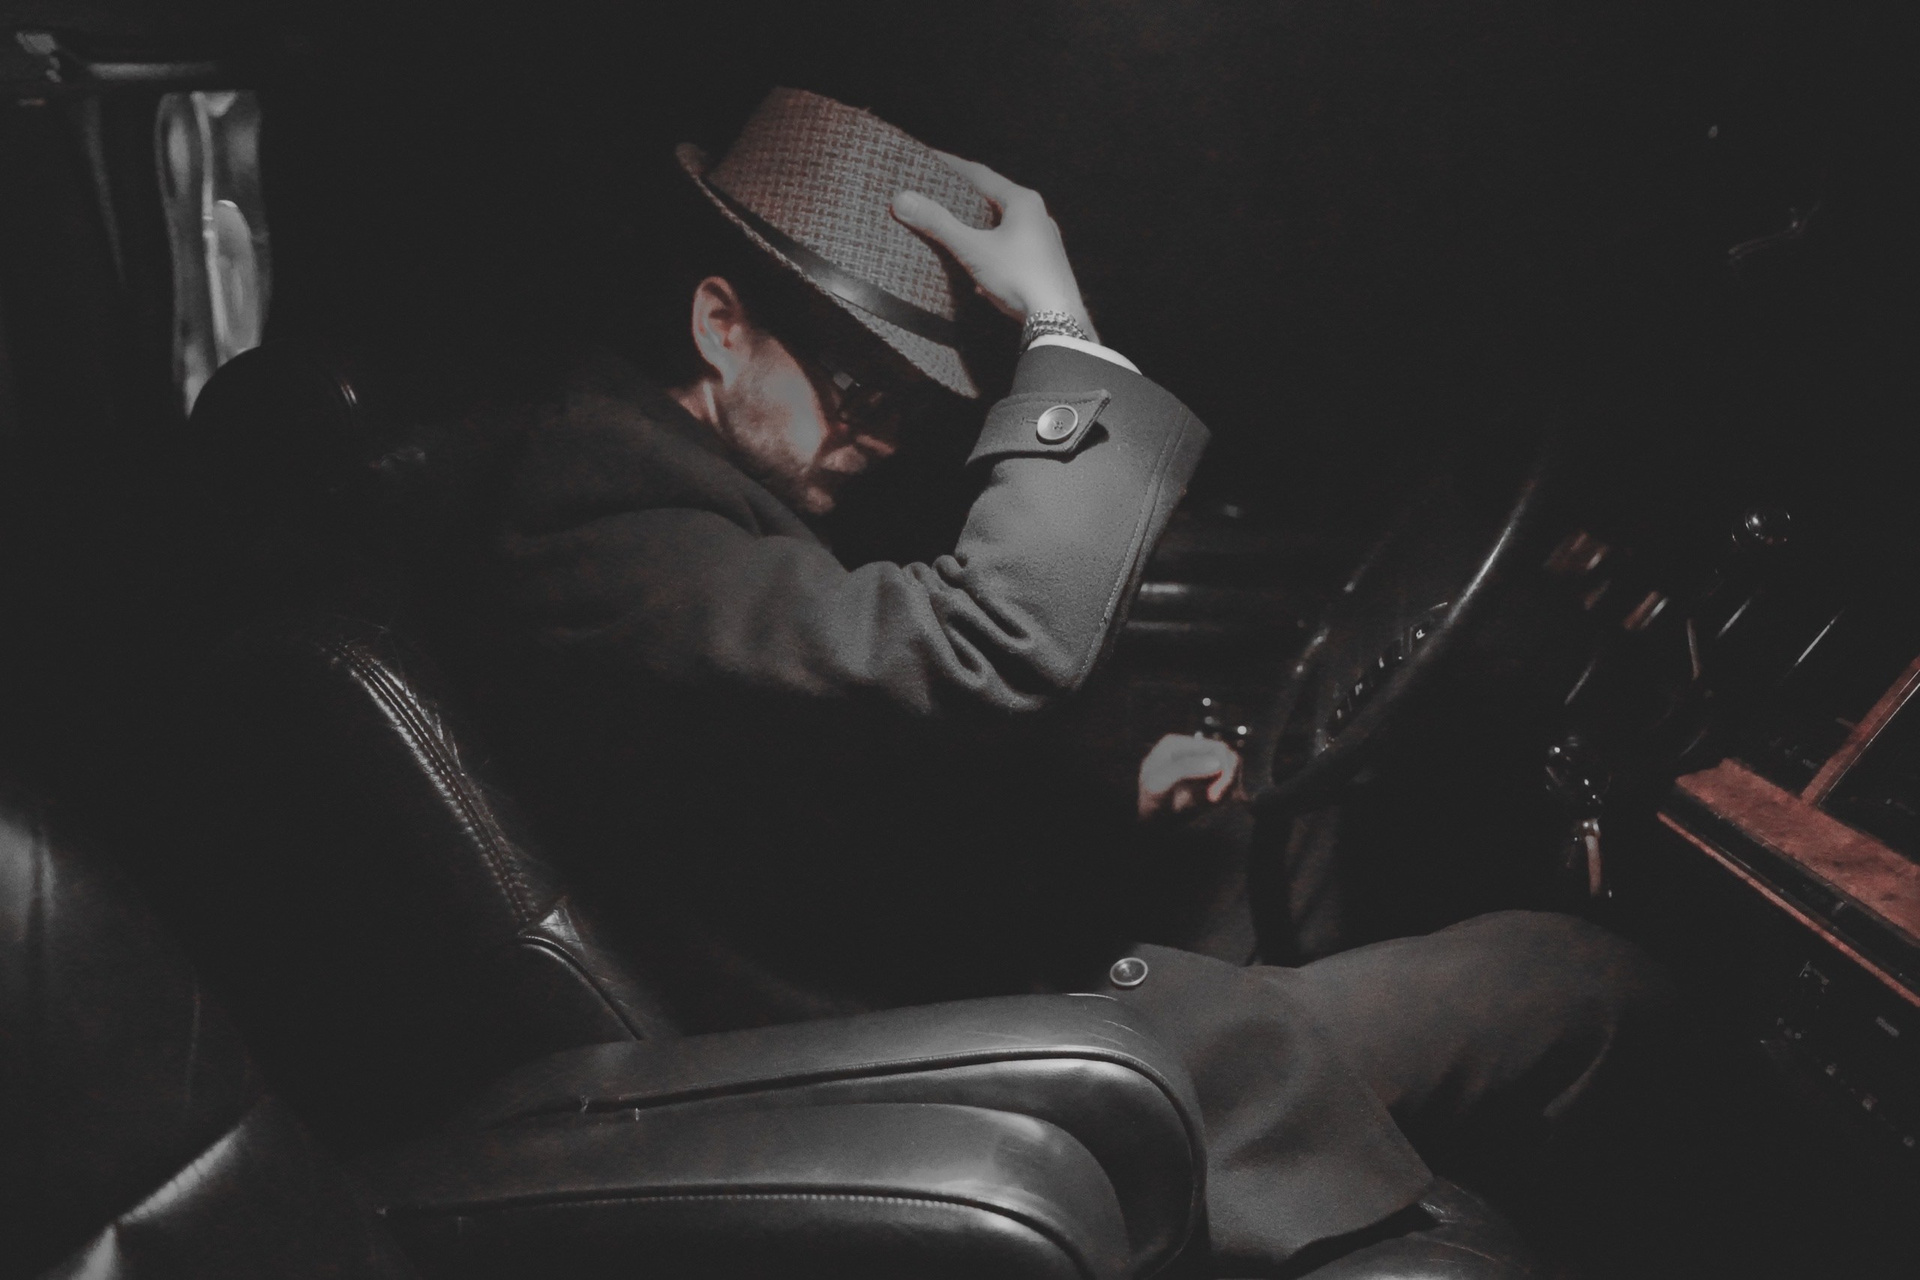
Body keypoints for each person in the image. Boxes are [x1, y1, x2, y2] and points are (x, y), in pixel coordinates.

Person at [462, 87, 1673, 1272]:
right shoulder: (596, 519)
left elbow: (819, 767)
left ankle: (1342, 1142)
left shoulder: (704, 496)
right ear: (722, 324)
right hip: (943, 1069)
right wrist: (1061, 328)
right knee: (1583, 977)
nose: (880, 437)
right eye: (859, 389)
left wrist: (1108, 798)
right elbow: (991, 636)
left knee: (1275, 828)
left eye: (906, 407)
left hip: (931, 963)